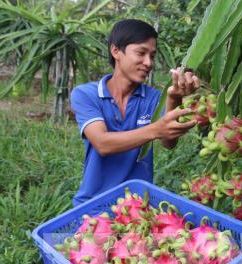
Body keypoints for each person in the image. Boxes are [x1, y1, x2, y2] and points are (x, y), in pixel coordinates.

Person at [71, 19, 199, 206]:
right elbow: (102, 143)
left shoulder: (155, 98)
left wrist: (173, 97)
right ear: (116, 51)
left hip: (139, 207)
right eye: (141, 53)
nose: (148, 63)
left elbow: (169, 142)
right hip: (92, 205)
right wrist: (156, 129)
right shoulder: (86, 94)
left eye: (152, 56)